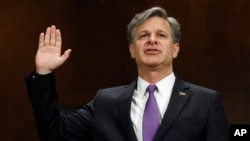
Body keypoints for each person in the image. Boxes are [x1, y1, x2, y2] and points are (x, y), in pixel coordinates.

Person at [25, 6, 229, 141]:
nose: (152, 40)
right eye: (143, 35)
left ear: (175, 49)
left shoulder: (205, 101)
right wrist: (43, 73)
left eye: (161, 35)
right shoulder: (105, 101)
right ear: (132, 50)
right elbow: (55, 135)